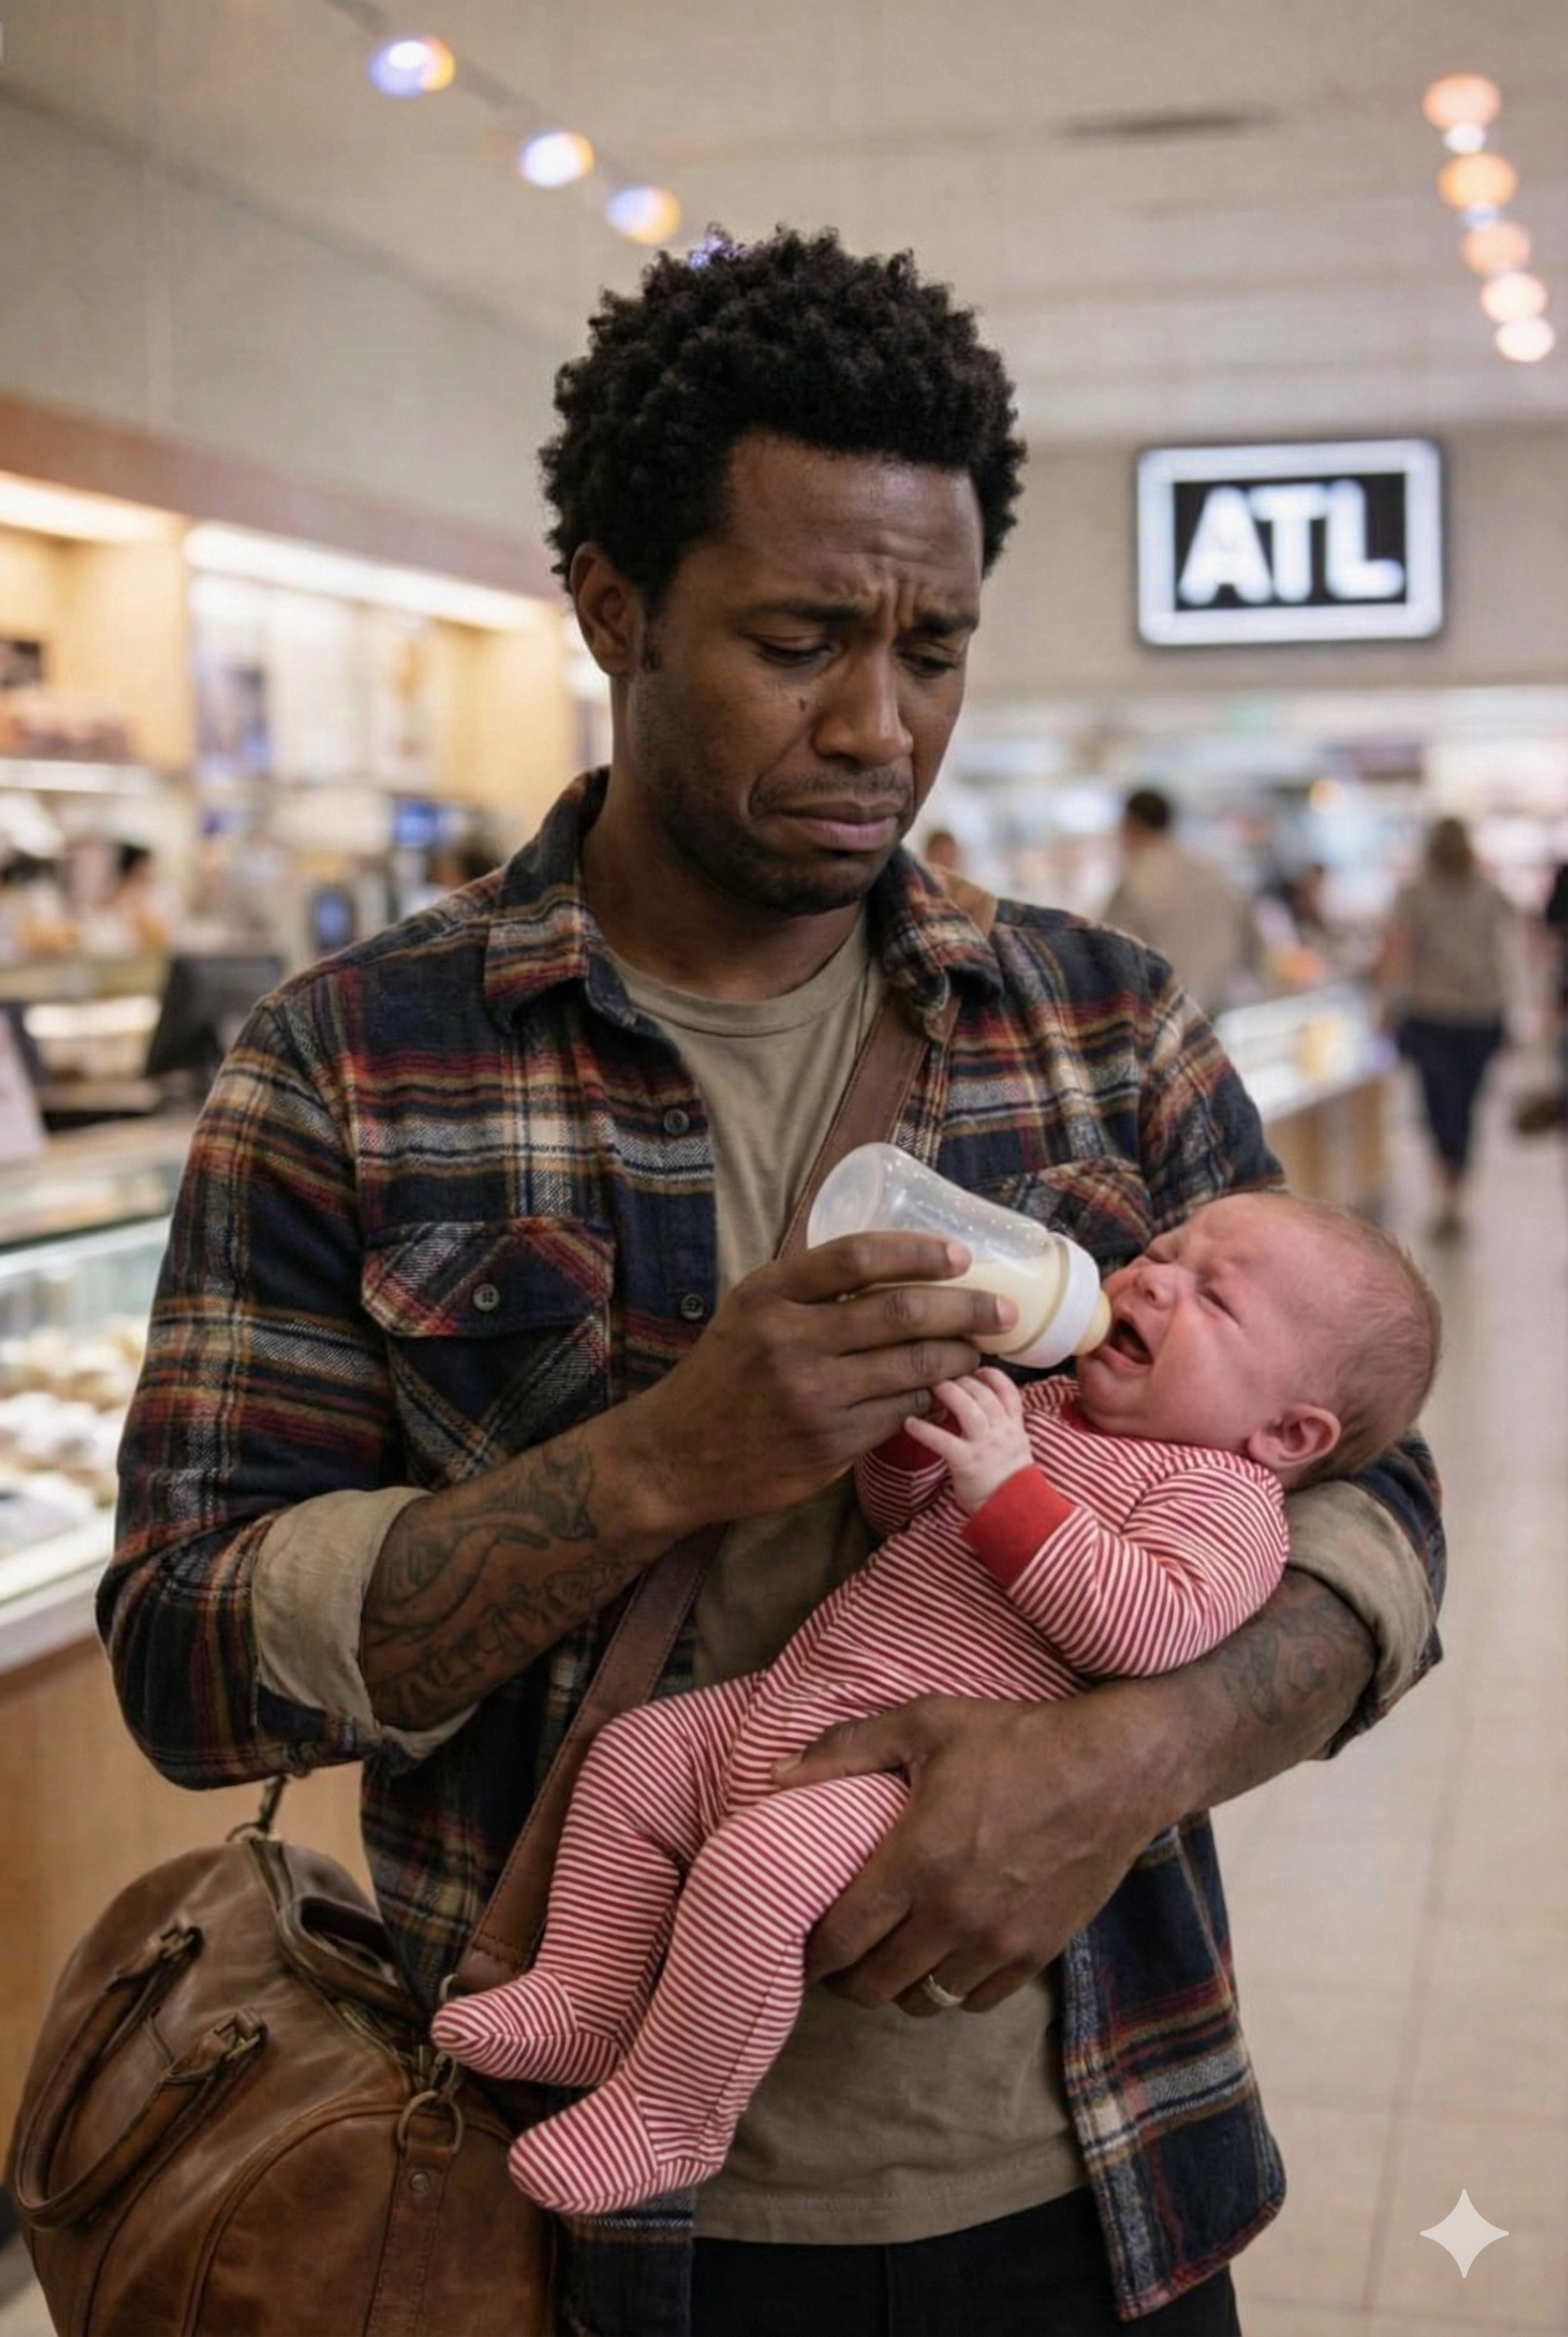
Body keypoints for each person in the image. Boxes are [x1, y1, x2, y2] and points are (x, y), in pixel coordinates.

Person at [107, 230, 1444, 2337]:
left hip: (1092, 2158)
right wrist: (653, 1465)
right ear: (611, 608)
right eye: (801, 639)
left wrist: (1133, 1756)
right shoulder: (352, 1061)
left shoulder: (1100, 1025)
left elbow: (1377, 1502)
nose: (877, 725)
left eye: (935, 650)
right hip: (553, 2224)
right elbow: (186, 1654)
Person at [435, 1193, 1439, 2218]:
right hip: (804, 1696)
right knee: (635, 1756)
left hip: (899, 1771)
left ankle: (673, 2110)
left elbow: (1146, 1624)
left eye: (1213, 1298)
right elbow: (901, 1515)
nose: (1149, 1277)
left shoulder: (1224, 1500)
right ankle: (588, 1992)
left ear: (1287, 1431)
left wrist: (1006, 1487)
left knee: (753, 1874)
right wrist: (918, 1440)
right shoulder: (1051, 1405)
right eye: (1162, 1249)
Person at [1380, 816, 1513, 1238]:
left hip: (1435, 1014)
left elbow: (1397, 953)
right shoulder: (1485, 895)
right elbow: (1505, 956)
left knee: (1441, 1105)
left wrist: (1386, 1006)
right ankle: (1454, 1191)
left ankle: (1449, 1189)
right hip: (1471, 1013)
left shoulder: (1418, 895)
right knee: (1460, 1106)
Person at [1102, 789, 1259, 1015]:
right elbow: (1251, 939)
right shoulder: (1211, 872)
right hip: (1220, 1007)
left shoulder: (1136, 882)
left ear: (1131, 825)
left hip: (1166, 1012)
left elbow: (1106, 952)